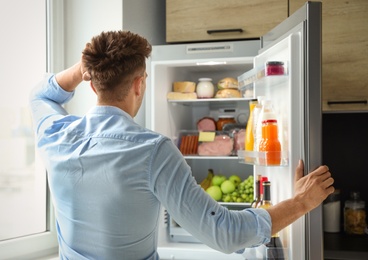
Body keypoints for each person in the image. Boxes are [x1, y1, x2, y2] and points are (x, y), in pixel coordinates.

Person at [29, 30, 334, 260]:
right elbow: (224, 233)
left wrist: (82, 68)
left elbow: (39, 96)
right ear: (139, 84)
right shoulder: (153, 151)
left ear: (92, 84)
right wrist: (300, 203)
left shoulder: (56, 134)